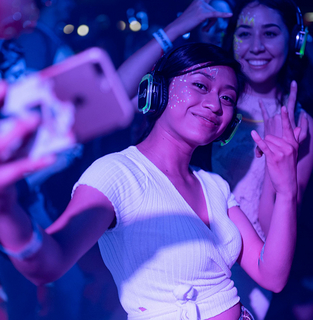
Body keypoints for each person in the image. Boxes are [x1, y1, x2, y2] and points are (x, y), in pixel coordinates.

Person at [0, 42, 303, 320]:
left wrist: (286, 190)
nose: (215, 104)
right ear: (158, 91)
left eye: (227, 97)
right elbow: (49, 262)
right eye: (200, 85)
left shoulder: (214, 185)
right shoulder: (117, 173)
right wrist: (3, 208)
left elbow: (271, 275)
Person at [117, 1, 313, 318]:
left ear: (294, 41)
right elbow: (113, 97)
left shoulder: (301, 125)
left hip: (245, 271)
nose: (257, 46)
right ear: (230, 38)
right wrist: (179, 27)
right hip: (169, 251)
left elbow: (269, 234)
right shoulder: (203, 99)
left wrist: (276, 174)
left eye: (271, 33)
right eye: (244, 33)